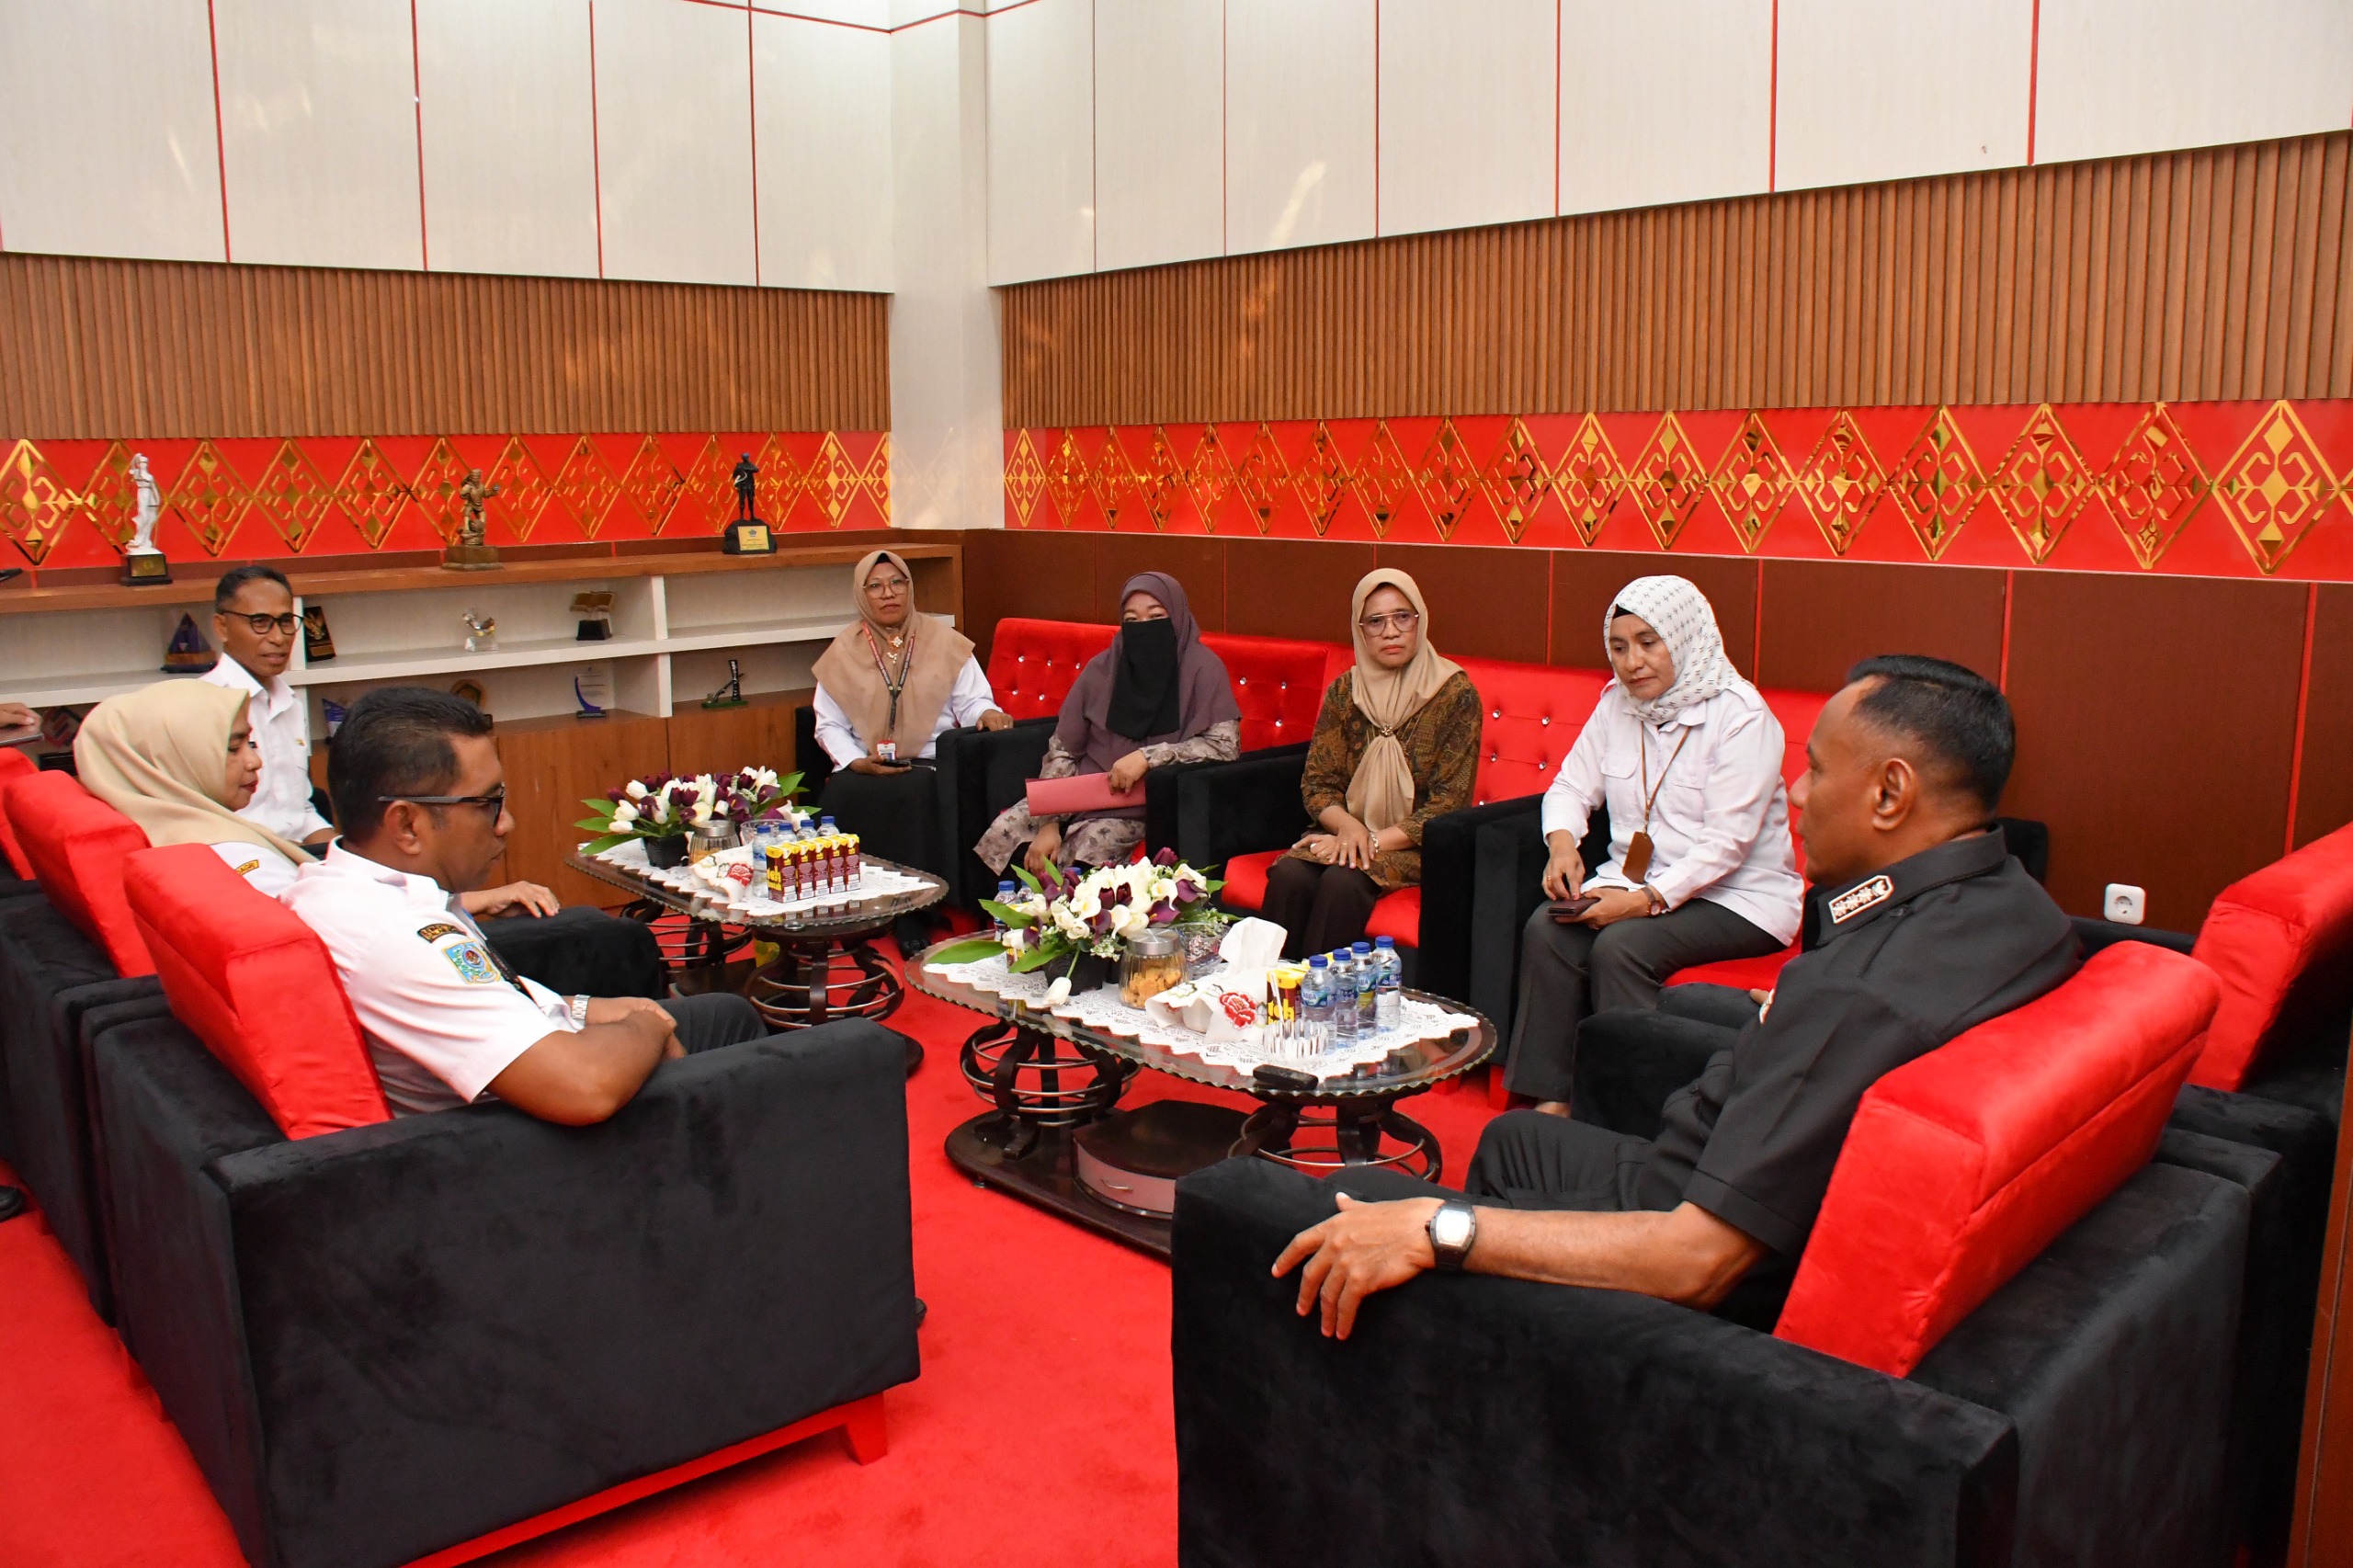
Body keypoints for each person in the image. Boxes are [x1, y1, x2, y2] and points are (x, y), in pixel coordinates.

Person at [1271, 655, 2078, 1339]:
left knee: (1408, 1198)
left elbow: (1696, 1261)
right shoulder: (2019, 907)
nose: (1798, 794)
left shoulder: (1856, 996)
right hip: (1744, 1148)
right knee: (1520, 1138)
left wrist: (1438, 1228)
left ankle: (1511, 1344)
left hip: (1687, 1220)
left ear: (1890, 794)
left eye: (1820, 769)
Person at [283, 687, 765, 1121]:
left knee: (728, 1014)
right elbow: (586, 1087)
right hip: (537, 1134)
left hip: (542, 1050)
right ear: (407, 825)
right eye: (488, 803)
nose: (506, 823)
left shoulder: (337, 886)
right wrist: (645, 1026)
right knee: (773, 1060)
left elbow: (486, 1001)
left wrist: (585, 1009)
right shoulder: (397, 942)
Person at [1503, 577, 1802, 1113]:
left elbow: (1727, 844)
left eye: (1648, 643)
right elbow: (1571, 787)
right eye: (1619, 648)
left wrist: (1641, 902)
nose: (1632, 662)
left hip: (1737, 897)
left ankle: (1635, 1109)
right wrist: (1563, 845)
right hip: (1635, 881)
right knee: (1549, 928)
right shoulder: (1616, 706)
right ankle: (1553, 1097)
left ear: (1684, 638)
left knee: (1623, 946)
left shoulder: (1742, 716)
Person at [1259, 569, 1480, 960]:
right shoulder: (1345, 691)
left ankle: (1321, 993)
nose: (1391, 632)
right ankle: (1269, 988)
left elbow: (1448, 805)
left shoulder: (1455, 695)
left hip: (1416, 847)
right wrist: (1348, 829)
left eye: (1402, 617)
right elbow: (1318, 783)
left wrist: (1370, 841)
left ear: (1420, 620)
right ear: (1359, 630)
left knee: (1342, 882)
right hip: (1347, 835)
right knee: (1290, 875)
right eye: (1375, 621)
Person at [976, 573, 1241, 878]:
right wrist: (1050, 822)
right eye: (1132, 620)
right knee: (1004, 830)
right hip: (1078, 792)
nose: (1144, 628)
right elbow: (1063, 749)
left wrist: (1148, 757)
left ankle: (1066, 911)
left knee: (1090, 844)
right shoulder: (1102, 669)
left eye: (1156, 617)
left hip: (1143, 803)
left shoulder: (1204, 670)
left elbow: (1225, 747)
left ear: (1177, 616)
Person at [812, 548, 1013, 874]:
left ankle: (921, 899)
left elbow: (972, 702)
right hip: (865, 764)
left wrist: (987, 712)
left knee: (917, 794)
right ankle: (844, 894)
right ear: (861, 595)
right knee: (839, 794)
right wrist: (855, 761)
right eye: (875, 586)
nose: (888, 593)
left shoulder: (947, 643)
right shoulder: (842, 652)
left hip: (929, 764)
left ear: (910, 587)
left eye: (897, 582)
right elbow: (829, 725)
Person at [203, 564, 334, 846]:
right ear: (222, 627)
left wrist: (341, 854)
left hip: (297, 853)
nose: (278, 638)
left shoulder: (290, 703)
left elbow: (300, 813)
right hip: (243, 855)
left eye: (286, 621)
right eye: (260, 622)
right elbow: (209, 823)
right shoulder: (204, 706)